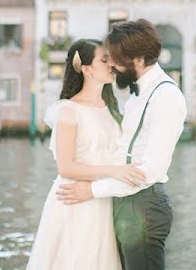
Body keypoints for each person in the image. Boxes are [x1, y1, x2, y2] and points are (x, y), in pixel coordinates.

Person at [57, 19, 187, 270]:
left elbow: (152, 170)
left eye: (116, 59)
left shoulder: (166, 97)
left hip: (144, 206)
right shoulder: (136, 96)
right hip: (120, 200)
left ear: (137, 59)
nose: (112, 65)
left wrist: (92, 191)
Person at [26, 38, 145, 270]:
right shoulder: (69, 112)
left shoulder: (114, 108)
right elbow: (66, 167)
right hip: (75, 200)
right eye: (104, 60)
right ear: (87, 69)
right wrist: (115, 171)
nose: (111, 64)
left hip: (103, 198)